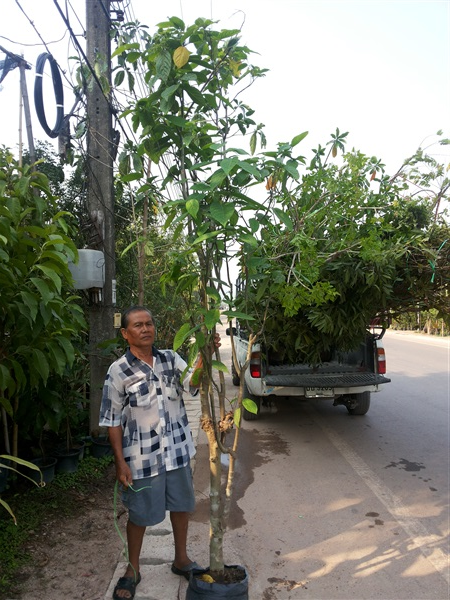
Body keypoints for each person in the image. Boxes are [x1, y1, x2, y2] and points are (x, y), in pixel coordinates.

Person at [99, 306, 219, 600]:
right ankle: (133, 569)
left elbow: (191, 383)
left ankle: (181, 559)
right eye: (138, 325)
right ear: (126, 334)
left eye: (149, 323)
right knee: (139, 515)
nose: (146, 328)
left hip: (177, 451)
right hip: (141, 457)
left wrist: (206, 354)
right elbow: (112, 421)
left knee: (181, 506)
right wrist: (120, 462)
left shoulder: (170, 359)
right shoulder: (118, 371)